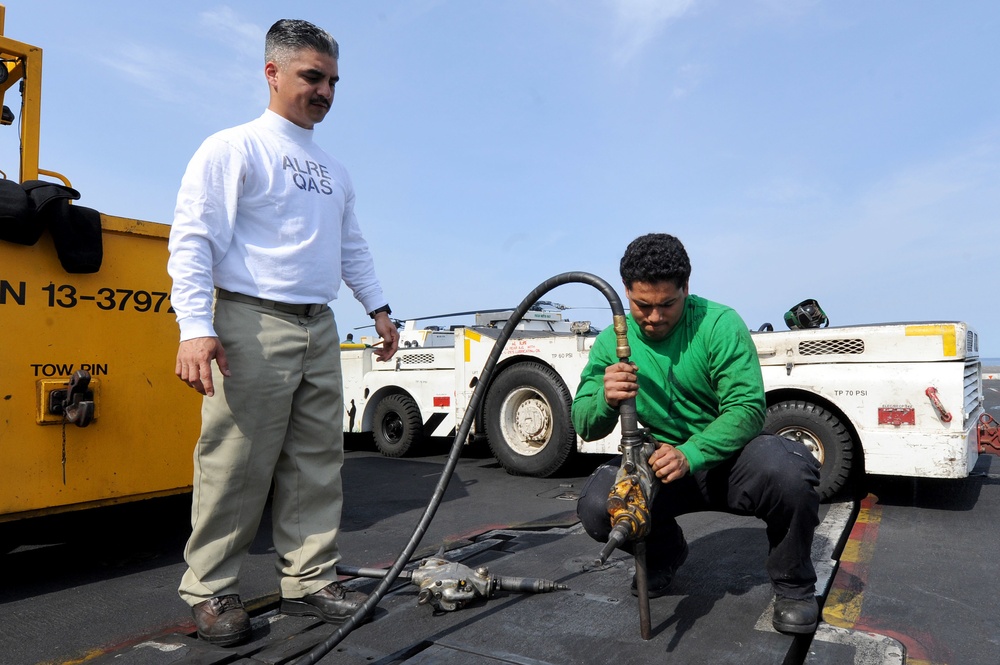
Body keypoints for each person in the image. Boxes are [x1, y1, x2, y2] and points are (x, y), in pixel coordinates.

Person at [167, 18, 399, 647]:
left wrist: (378, 309)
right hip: (251, 318)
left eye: (332, 81)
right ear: (272, 72)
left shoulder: (333, 169)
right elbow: (193, 239)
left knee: (318, 461)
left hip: (318, 324)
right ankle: (211, 588)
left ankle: (310, 580)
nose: (325, 91)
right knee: (237, 461)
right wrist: (195, 327)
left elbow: (350, 245)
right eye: (311, 76)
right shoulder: (234, 148)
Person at [573, 233, 821, 634]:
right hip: (661, 468)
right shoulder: (610, 341)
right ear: (625, 293)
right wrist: (604, 396)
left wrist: (692, 453)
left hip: (727, 463)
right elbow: (584, 423)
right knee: (599, 502)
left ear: (687, 288)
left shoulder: (719, 324)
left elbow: (747, 410)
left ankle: (794, 586)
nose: (654, 317)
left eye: (667, 304)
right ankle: (665, 554)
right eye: (642, 305)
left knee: (788, 470)